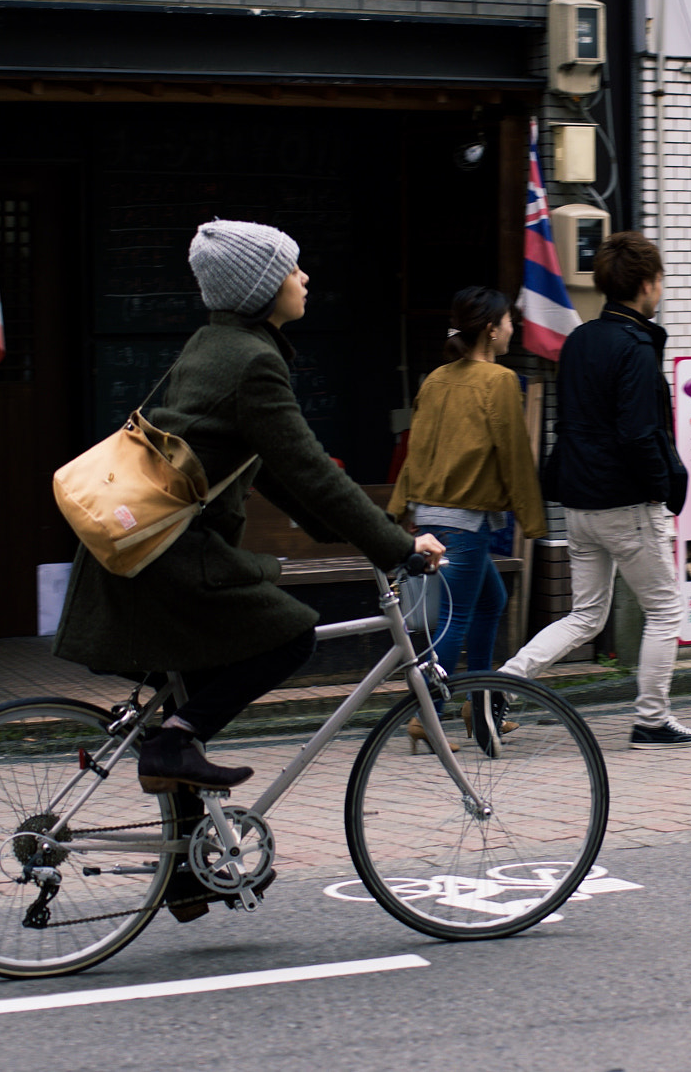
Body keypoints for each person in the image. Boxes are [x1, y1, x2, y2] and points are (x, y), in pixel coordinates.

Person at [54, 219, 445, 918]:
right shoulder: (253, 363)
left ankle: (183, 870)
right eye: (293, 269)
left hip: (142, 552)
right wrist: (398, 547)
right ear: (264, 288)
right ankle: (175, 744)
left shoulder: (217, 345)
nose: (304, 279)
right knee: (291, 631)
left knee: (193, 698)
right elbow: (308, 475)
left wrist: (365, 537)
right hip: (168, 559)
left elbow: (287, 477)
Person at [498, 231, 691, 748]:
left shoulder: (580, 340)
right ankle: (652, 719)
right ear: (647, 284)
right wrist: (663, 489)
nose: (660, 288)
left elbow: (572, 420)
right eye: (659, 280)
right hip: (626, 503)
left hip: (577, 502)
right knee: (666, 610)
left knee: (585, 615)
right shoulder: (635, 348)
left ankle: (501, 684)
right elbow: (640, 433)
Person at [387, 286, 548, 756]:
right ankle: (427, 716)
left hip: (432, 517)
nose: (513, 329)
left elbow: (415, 452)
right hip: (465, 522)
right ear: (492, 330)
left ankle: (475, 707)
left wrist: (400, 509)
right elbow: (515, 455)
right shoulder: (498, 381)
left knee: (488, 603)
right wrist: (534, 520)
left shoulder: (435, 379)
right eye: (509, 323)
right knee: (456, 621)